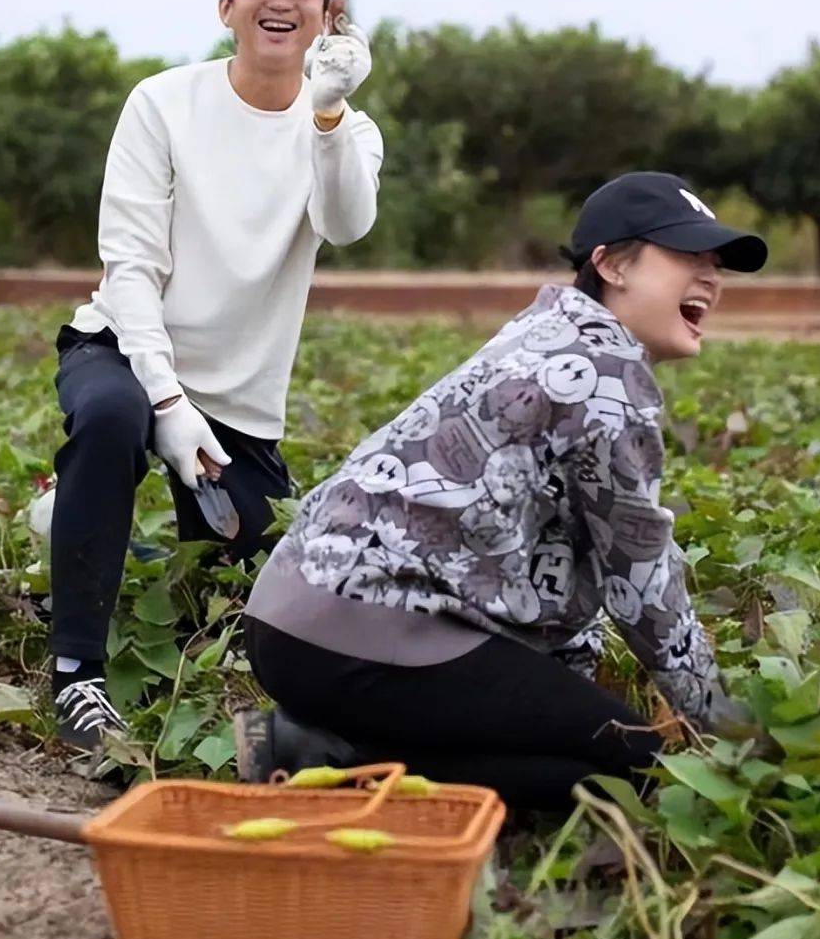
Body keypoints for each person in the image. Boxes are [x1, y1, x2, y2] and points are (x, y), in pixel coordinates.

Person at [236, 172, 767, 810]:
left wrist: (562, 685)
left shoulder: (547, 333)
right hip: (362, 632)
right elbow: (641, 579)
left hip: (291, 620)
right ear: (611, 265)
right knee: (635, 769)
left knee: (573, 742)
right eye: (687, 255)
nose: (711, 277)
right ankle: (318, 758)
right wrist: (725, 732)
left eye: (717, 264)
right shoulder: (602, 375)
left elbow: (559, 555)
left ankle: (331, 742)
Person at [47, 0, 383, 749]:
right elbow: (130, 266)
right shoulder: (163, 102)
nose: (280, 2)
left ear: (328, 12)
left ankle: (68, 522)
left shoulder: (347, 130)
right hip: (126, 351)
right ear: (226, 7)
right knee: (113, 419)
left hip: (239, 399)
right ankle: (77, 675)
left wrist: (328, 114)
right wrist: (166, 400)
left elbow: (346, 224)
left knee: (242, 597)